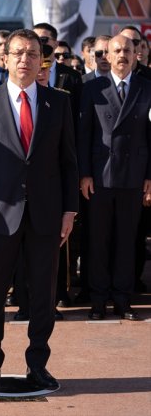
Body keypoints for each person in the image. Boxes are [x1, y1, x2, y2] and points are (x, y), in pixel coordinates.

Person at [0, 29, 79, 391]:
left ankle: (38, 363)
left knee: (44, 293)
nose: (25, 60)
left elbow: (68, 162)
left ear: (41, 59)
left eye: (32, 53)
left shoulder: (58, 102)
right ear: (6, 58)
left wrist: (69, 211)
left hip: (46, 214)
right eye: (18, 53)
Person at [79, 34, 151, 321]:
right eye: (117, 50)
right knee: (98, 241)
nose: (122, 55)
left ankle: (122, 300)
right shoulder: (92, 88)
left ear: (137, 55)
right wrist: (84, 174)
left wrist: (150, 176)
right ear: (106, 56)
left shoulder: (147, 88)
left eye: (128, 50)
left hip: (133, 178)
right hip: (100, 177)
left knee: (127, 241)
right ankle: (98, 301)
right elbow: (84, 135)